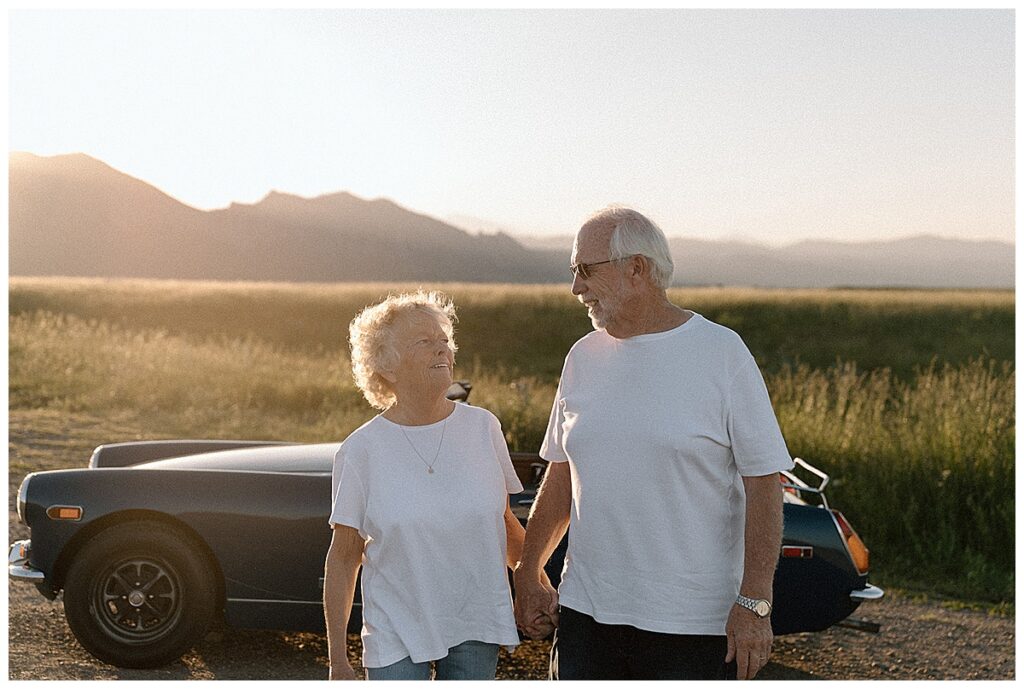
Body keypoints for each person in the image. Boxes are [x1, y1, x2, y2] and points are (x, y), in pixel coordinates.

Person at [512, 207, 794, 681]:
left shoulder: (722, 354)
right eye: (572, 272)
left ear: (636, 269)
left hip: (692, 626)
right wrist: (528, 570)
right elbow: (562, 474)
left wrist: (755, 602)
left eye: (585, 270)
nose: (575, 288)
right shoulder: (582, 357)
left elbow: (764, 483)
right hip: (585, 617)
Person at [324, 291, 525, 680]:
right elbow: (344, 557)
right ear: (387, 366)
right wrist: (337, 660)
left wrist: (534, 582)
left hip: (475, 621)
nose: (442, 350)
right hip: (394, 629)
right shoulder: (361, 451)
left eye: (444, 341)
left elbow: (503, 523)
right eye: (423, 342)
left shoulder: (483, 427)